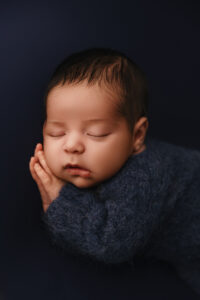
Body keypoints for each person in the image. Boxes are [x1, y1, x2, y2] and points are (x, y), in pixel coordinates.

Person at [29, 47, 200, 295]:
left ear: (137, 136)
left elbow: (109, 244)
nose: (72, 145)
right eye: (57, 132)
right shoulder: (104, 169)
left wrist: (60, 201)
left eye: (96, 133)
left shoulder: (147, 174)